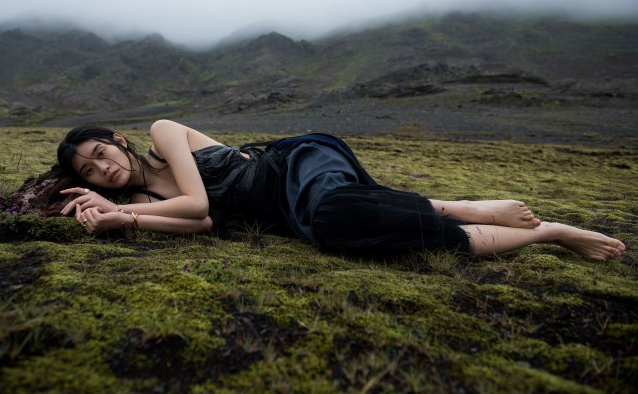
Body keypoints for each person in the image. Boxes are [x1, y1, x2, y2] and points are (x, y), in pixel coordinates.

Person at [57, 120, 626, 261]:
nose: (103, 169)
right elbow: (201, 225)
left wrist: (124, 215)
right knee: (343, 231)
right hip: (294, 216)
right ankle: (548, 233)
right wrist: (122, 217)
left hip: (297, 165)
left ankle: (467, 206)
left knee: (333, 208)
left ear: (119, 141)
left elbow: (200, 202)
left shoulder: (163, 135)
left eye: (101, 153)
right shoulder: (144, 204)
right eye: (90, 172)